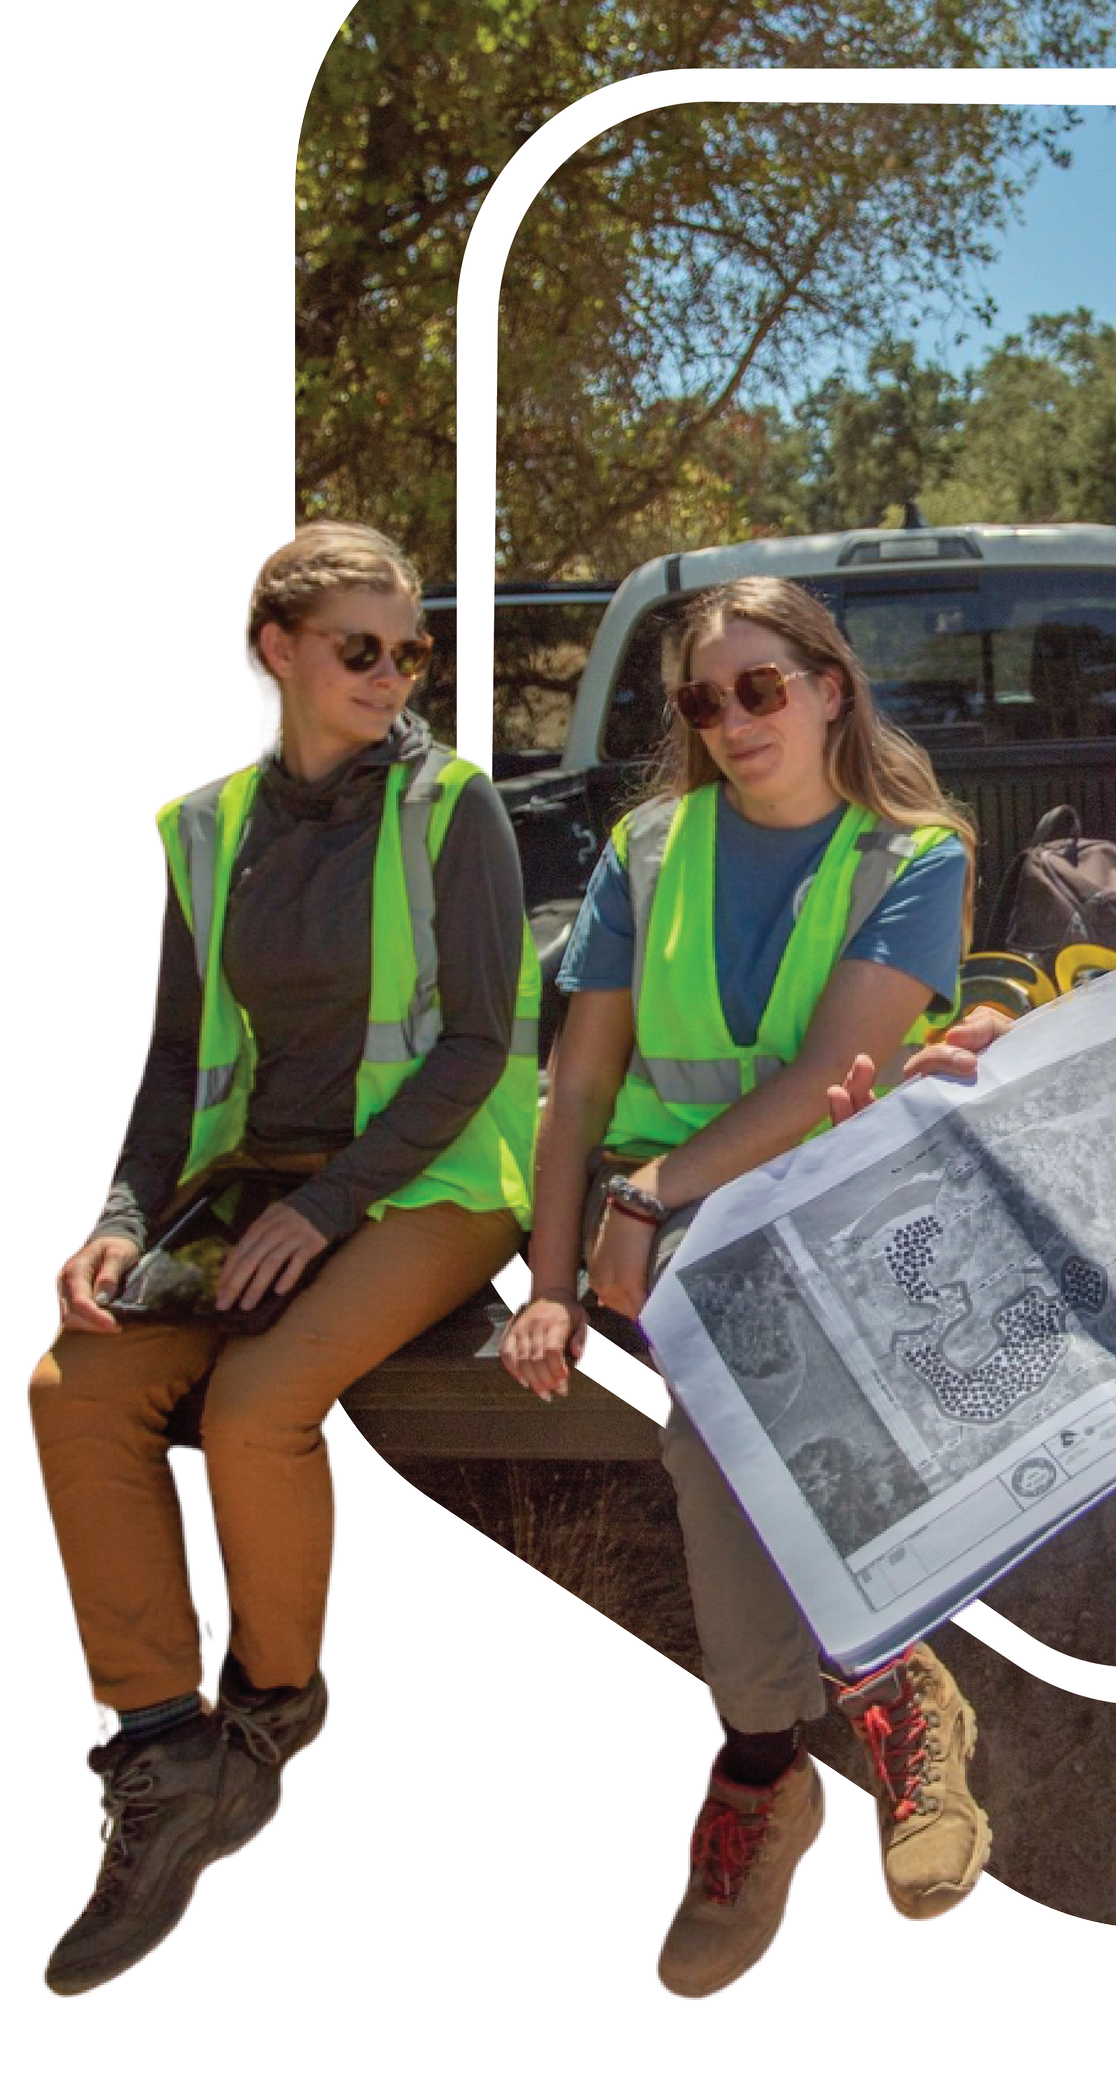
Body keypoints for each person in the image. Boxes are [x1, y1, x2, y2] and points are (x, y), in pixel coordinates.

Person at [32, 522, 538, 1999]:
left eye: (411, 651)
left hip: (434, 1183)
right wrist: (120, 1220)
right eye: (361, 648)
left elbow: (479, 1046)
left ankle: (265, 1710)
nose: (392, 675)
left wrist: (327, 1213)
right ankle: (159, 1751)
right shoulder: (200, 826)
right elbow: (178, 1050)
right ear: (275, 653)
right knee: (74, 1382)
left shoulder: (458, 810)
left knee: (256, 1408)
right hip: (253, 1185)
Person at [497, 575, 990, 1998]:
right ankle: (890, 1687)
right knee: (730, 1357)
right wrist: (547, 1277)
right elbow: (577, 1083)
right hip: (685, 1227)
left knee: (727, 1374)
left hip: (842, 1204)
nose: (729, 721)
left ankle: (763, 1761)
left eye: (759, 687)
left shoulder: (915, 857)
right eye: (702, 702)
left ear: (834, 689)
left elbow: (816, 1074)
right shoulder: (648, 851)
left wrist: (646, 1201)